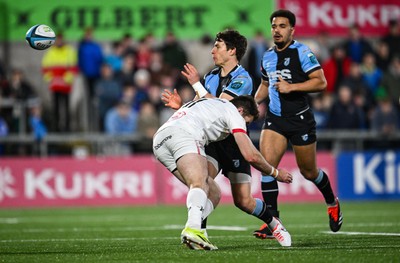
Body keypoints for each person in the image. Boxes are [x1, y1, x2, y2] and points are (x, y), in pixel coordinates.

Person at [162, 29, 274, 240]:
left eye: (218, 46)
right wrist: (181, 107)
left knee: (243, 201)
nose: (212, 50)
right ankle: (199, 231)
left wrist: (195, 84)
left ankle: (273, 222)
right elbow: (203, 109)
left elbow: (220, 106)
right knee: (202, 181)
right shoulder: (210, 76)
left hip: (234, 142)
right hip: (212, 141)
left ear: (232, 51)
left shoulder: (243, 78)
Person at [153, 96, 293, 250]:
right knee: (199, 183)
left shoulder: (212, 102)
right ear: (240, 111)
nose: (245, 126)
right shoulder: (233, 112)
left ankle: (193, 230)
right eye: (247, 122)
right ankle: (194, 229)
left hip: (160, 140)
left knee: (213, 191)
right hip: (184, 135)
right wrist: (275, 173)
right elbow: (250, 155)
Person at [253, 9, 343, 239]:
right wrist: (252, 104)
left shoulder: (302, 52)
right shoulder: (267, 56)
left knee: (309, 171)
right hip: (274, 119)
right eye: (274, 26)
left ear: (292, 29)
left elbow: (320, 82)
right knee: (267, 167)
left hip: (300, 120)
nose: (277, 30)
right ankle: (273, 222)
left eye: (282, 26)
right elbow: (265, 84)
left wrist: (292, 87)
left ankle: (332, 202)